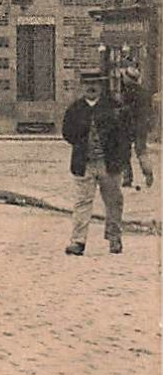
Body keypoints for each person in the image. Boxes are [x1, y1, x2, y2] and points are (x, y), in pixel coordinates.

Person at [61, 73, 129, 255]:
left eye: (95, 84)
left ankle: (114, 238)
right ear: (82, 86)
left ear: (101, 86)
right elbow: (67, 133)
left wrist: (123, 161)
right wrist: (82, 138)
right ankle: (78, 241)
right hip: (84, 163)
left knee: (114, 202)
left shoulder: (113, 108)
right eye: (87, 84)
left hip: (109, 163)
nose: (91, 88)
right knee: (82, 202)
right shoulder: (74, 109)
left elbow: (123, 136)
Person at [116, 66, 155, 189]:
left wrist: (119, 110)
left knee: (124, 151)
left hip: (128, 125)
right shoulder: (145, 92)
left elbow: (126, 110)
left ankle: (127, 177)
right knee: (141, 151)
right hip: (141, 125)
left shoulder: (127, 93)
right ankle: (148, 173)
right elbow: (149, 111)